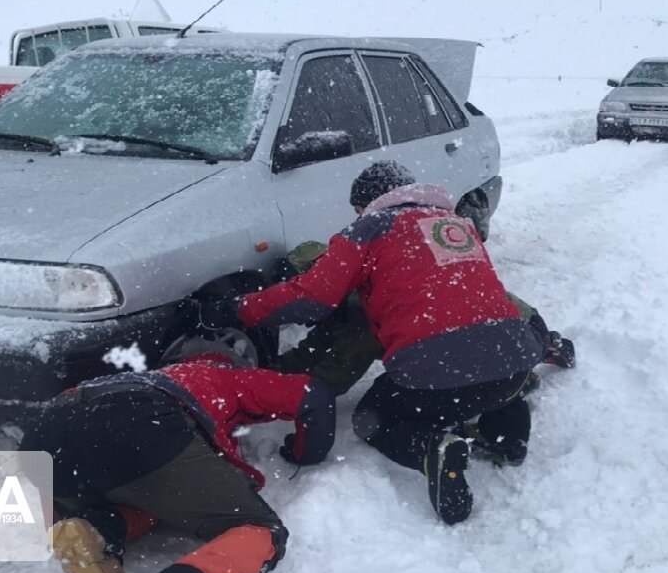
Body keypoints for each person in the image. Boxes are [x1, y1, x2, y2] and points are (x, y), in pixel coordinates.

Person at [201, 161, 545, 524]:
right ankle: (509, 439)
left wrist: (238, 311)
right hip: (514, 364)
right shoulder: (455, 224)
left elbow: (311, 298)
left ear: (369, 202)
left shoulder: (369, 229)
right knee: (488, 369)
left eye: (357, 208)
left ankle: (430, 449)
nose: (357, 214)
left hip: (437, 373)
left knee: (372, 418)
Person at [22, 338, 335, 573]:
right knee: (260, 531)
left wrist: (56, 520)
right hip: (139, 424)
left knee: (154, 496)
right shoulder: (218, 376)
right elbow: (312, 395)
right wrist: (306, 454)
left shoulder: (139, 378)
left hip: (44, 439)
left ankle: (94, 530)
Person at [272, 239, 576, 466]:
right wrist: (272, 370)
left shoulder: (360, 309)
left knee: (372, 417)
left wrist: (265, 390)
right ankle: (534, 373)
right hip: (519, 332)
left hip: (493, 350)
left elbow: (332, 378)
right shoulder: (376, 271)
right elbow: (315, 347)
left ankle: (433, 448)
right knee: (496, 360)